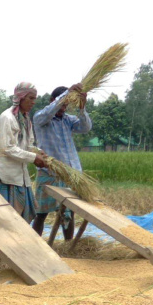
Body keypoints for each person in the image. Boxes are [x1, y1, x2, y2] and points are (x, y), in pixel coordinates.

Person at [32, 84, 91, 239]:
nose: (63, 108)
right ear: (53, 100)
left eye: (66, 105)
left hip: (69, 174)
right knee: (41, 213)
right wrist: (67, 93)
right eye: (62, 104)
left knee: (67, 213)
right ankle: (36, 246)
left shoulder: (68, 120)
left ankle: (67, 246)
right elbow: (49, 111)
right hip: (48, 173)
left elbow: (85, 127)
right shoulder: (41, 118)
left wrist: (82, 108)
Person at [0, 82, 48, 223]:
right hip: (7, 176)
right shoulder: (7, 118)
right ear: (20, 97)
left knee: (23, 219)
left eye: (35, 98)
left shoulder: (26, 119)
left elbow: (28, 145)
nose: (33, 102)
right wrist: (33, 157)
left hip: (21, 176)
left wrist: (39, 153)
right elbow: (7, 147)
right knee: (7, 220)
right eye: (30, 98)